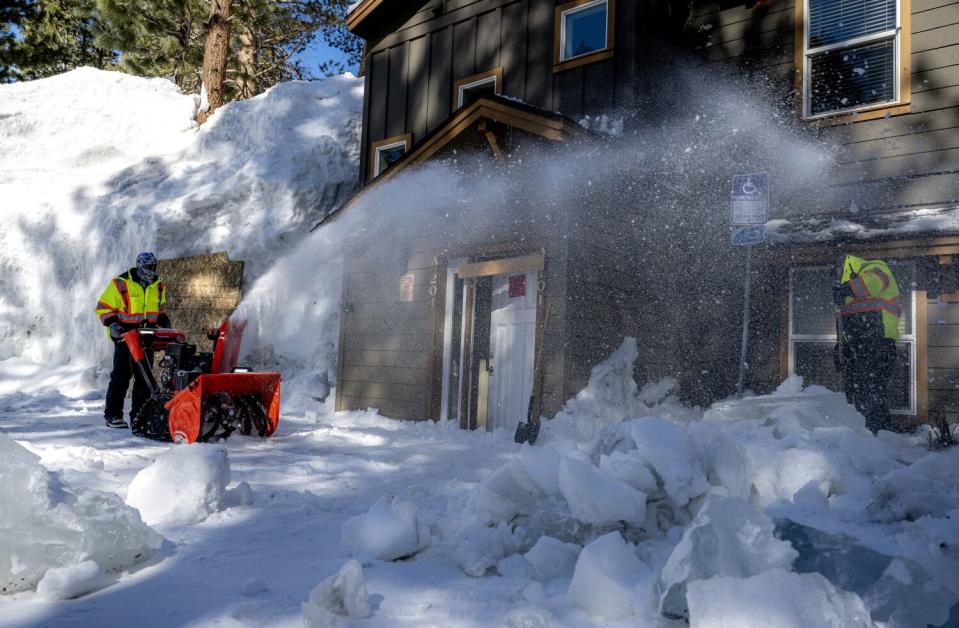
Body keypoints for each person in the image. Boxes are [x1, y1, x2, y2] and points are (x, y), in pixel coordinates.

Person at [95, 252, 171, 429]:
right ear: (140, 266)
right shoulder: (121, 283)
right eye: (149, 267)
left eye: (154, 267)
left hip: (147, 337)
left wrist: (162, 319)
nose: (152, 271)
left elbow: (157, 308)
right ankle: (113, 415)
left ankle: (140, 416)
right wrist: (112, 324)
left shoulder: (158, 285)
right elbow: (103, 307)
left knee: (144, 379)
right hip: (125, 337)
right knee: (121, 377)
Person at [833, 254, 902, 434]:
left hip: (879, 341)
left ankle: (877, 433)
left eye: (841, 272)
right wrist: (842, 346)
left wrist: (847, 288)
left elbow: (874, 283)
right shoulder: (847, 295)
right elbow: (846, 323)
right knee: (854, 389)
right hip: (859, 346)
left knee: (869, 388)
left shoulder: (874, 266)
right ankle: (864, 433)